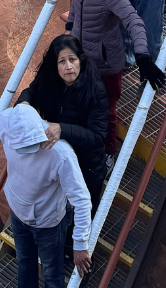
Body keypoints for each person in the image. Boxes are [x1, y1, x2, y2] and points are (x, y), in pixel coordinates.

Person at [0, 102, 92, 288]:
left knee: (52, 273)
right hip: (18, 215)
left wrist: (80, 244)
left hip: (49, 224)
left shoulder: (61, 155)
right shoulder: (6, 121)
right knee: (24, 259)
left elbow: (81, 200)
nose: (27, 150)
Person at [65, 0, 165, 160]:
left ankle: (109, 153)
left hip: (106, 64)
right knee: (82, 103)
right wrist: (69, 29)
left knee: (106, 111)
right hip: (82, 58)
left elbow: (134, 22)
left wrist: (143, 57)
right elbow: (75, 7)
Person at [18, 34, 109, 207]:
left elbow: (97, 136)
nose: (68, 67)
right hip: (57, 162)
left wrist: (62, 129)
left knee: (84, 212)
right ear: (55, 65)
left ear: (80, 60)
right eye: (62, 62)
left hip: (86, 167)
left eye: (72, 60)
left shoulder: (94, 89)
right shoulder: (49, 80)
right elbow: (31, 91)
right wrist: (23, 104)